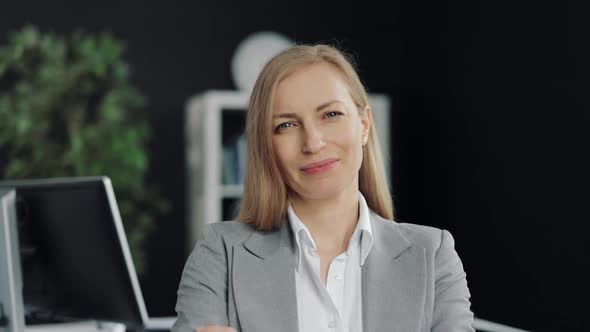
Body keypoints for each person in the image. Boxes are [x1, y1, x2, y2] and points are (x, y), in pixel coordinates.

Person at [172, 44, 474, 332]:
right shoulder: (220, 254)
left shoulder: (432, 255)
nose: (313, 143)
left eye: (331, 115)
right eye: (286, 125)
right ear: (266, 145)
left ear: (365, 125)